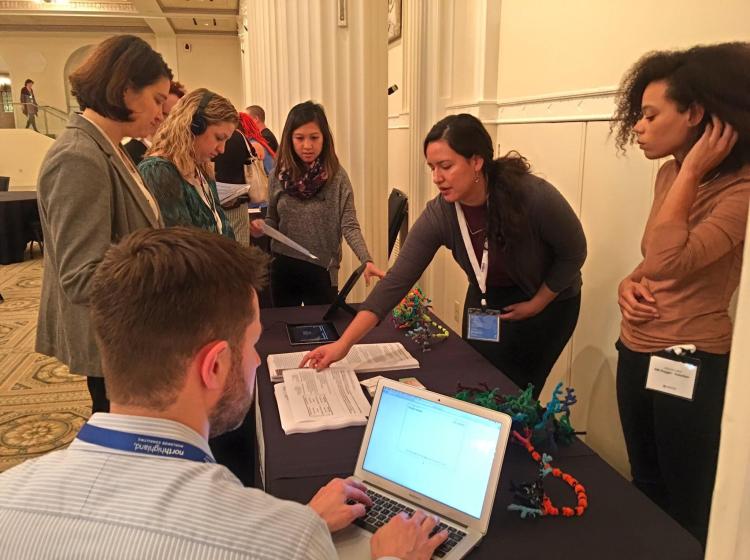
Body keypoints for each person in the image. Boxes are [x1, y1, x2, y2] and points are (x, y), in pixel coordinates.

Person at [0, 227, 448, 560]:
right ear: (214, 366)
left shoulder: (7, 498)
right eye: (252, 343)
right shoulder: (279, 541)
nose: (256, 360)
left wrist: (303, 523)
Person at [303, 113, 586, 399]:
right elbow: (396, 281)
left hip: (548, 301)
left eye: (446, 166)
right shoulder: (441, 213)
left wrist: (537, 303)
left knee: (519, 393)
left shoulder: (532, 196)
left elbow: (574, 253)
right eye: (432, 167)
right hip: (487, 298)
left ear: (476, 161)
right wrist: (344, 345)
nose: (437, 178)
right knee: (479, 381)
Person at [611, 42, 750, 546]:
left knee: (685, 496)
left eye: (650, 115)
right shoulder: (667, 173)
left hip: (690, 359)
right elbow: (655, 256)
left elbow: (671, 259)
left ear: (696, 115)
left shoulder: (739, 190)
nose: (638, 128)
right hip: (637, 346)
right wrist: (629, 281)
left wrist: (691, 170)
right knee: (644, 481)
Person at [35, 35, 171, 415]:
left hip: (127, 332)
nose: (162, 113)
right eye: (157, 99)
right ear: (126, 89)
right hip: (110, 341)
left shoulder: (112, 148)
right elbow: (81, 277)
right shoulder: (79, 156)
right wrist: (169, 274)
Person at [250, 100, 385, 307]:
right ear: (289, 139)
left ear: (325, 139)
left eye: (314, 138)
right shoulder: (278, 174)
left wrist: (366, 260)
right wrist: (262, 228)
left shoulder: (337, 176)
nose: (307, 146)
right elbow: (273, 219)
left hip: (322, 268)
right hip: (283, 267)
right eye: (299, 138)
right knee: (285, 331)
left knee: (326, 330)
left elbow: (349, 224)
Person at [139, 88, 236, 237]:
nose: (222, 149)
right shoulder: (158, 170)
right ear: (194, 126)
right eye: (218, 138)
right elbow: (180, 245)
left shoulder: (202, 168)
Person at [123, 80, 186, 165]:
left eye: (175, 116)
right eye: (164, 114)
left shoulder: (183, 154)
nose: (169, 122)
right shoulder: (130, 153)